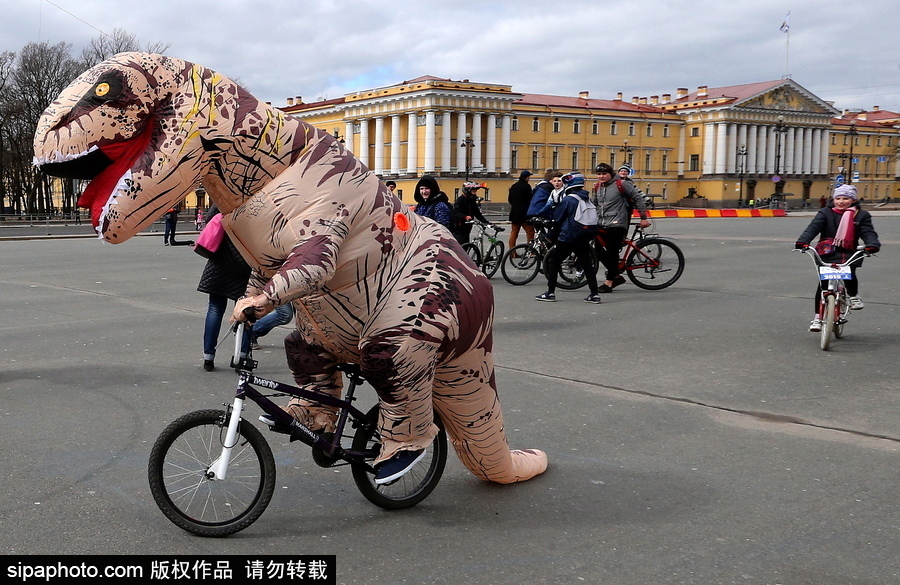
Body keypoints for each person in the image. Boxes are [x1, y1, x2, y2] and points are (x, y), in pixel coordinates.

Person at [795, 184, 880, 332]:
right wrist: (803, 242)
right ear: (833, 199)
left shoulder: (861, 215)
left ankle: (853, 296)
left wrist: (871, 244)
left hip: (849, 251)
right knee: (823, 285)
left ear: (853, 200)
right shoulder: (825, 213)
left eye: (846, 198)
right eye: (838, 198)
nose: (841, 201)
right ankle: (817, 318)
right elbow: (813, 227)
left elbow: (867, 232)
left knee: (849, 275)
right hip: (827, 251)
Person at [197, 205, 252, 371]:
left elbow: (210, 220)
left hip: (220, 259)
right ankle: (241, 357)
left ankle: (208, 357)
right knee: (246, 310)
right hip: (245, 262)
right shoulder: (259, 199)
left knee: (215, 309)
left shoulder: (224, 195)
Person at [535, 172, 602, 304]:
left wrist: (551, 234)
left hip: (568, 236)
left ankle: (550, 292)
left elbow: (559, 219)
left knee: (554, 262)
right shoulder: (586, 198)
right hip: (583, 235)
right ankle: (594, 294)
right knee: (587, 264)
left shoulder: (569, 199)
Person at [592, 163, 652, 293]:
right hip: (602, 222)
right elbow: (595, 205)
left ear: (610, 174)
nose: (601, 176)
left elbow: (638, 198)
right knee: (597, 249)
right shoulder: (597, 187)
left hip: (618, 223)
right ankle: (617, 275)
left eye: (604, 174)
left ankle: (609, 282)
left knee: (612, 252)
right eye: (599, 174)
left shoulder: (622, 184)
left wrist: (643, 217)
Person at [452, 181, 491, 245]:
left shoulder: (471, 200)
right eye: (473, 192)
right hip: (459, 228)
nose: (475, 194)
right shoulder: (460, 200)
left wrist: (486, 222)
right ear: (467, 191)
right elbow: (456, 213)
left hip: (467, 228)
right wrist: (465, 216)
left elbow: (477, 213)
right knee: (460, 247)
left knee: (466, 246)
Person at [507, 170, 534, 250]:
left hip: (514, 213)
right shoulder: (526, 186)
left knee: (514, 233)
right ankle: (530, 251)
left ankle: (512, 252)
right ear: (527, 177)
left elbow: (510, 199)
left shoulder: (514, 186)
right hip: (525, 214)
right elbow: (530, 199)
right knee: (530, 232)